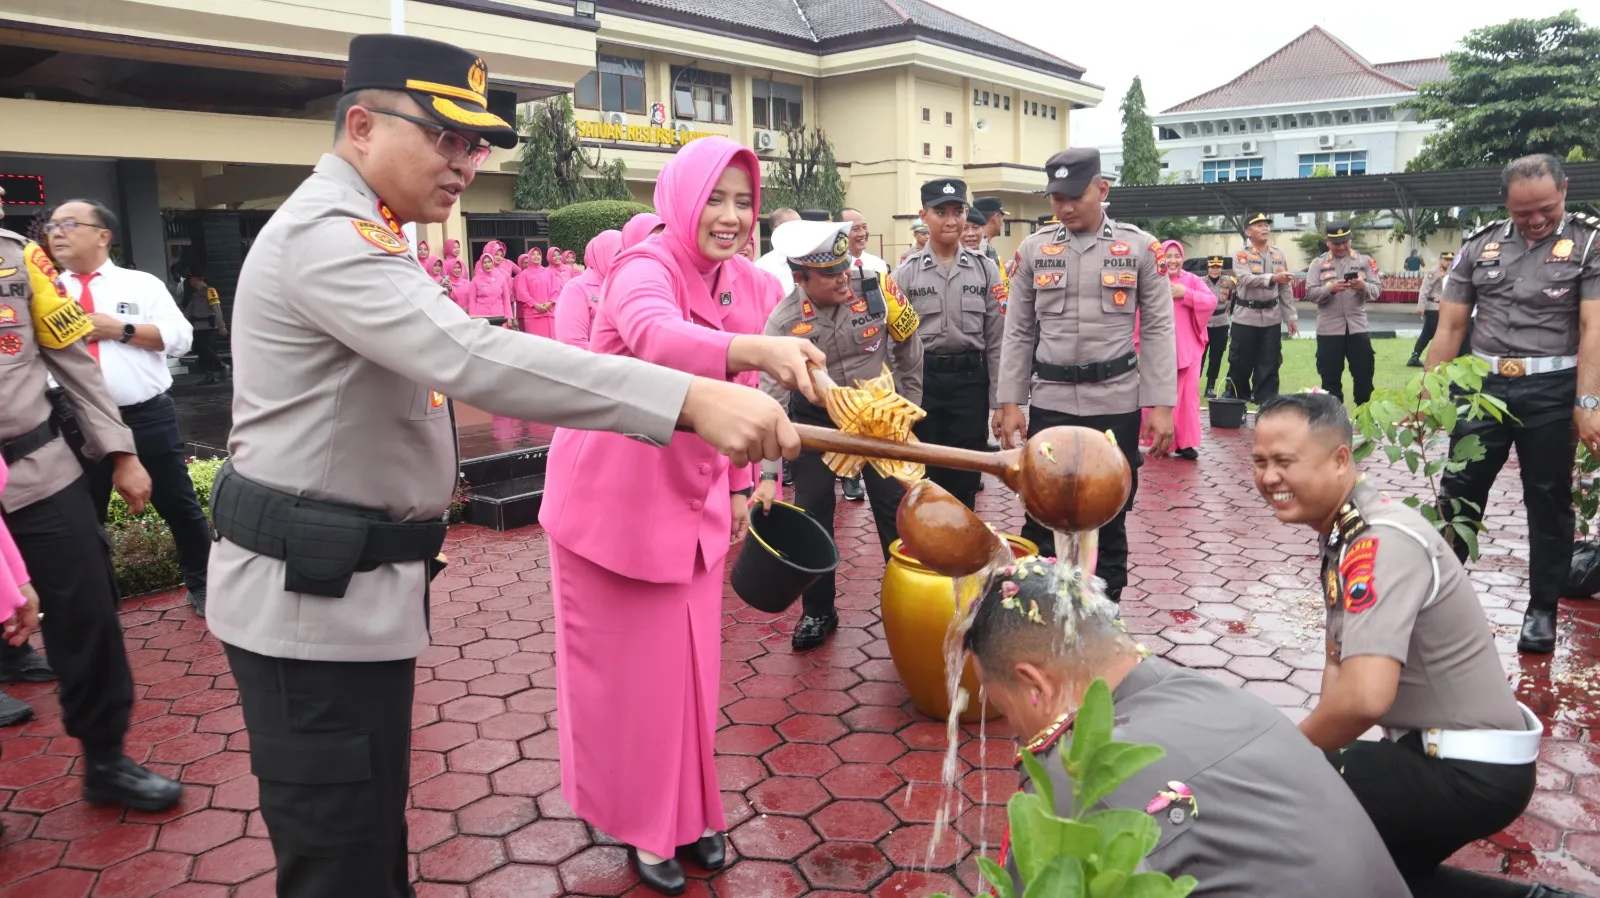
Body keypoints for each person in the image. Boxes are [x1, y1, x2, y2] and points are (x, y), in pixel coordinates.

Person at [207, 36, 810, 898]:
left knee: (367, 844)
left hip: (349, 591)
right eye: (446, 139)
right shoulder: (328, 238)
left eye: (475, 146)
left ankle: (681, 813)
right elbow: (472, 355)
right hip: (310, 597)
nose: (464, 164)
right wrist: (688, 398)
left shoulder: (371, 231)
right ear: (363, 126)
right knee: (340, 857)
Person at [538, 135, 823, 895]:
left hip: (692, 510)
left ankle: (692, 812)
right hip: (613, 513)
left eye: (743, 202)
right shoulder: (645, 266)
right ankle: (643, 823)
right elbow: (657, 337)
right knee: (633, 686)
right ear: (681, 199)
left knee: (692, 676)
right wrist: (753, 348)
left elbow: (746, 405)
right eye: (715, 199)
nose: (730, 217)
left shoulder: (745, 282)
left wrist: (743, 484)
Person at [1254, 392, 1578, 898]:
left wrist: (1285, 755)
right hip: (1444, 757)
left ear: (1340, 459)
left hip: (1467, 771)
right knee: (1374, 878)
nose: (1269, 477)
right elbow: (1339, 668)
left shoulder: (1379, 542)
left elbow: (1364, 698)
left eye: (1284, 461)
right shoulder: (1347, 530)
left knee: (1280, 805)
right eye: (1260, 462)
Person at [966, 555, 1411, 897]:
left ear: (1035, 683)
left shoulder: (1078, 777)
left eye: (1004, 708)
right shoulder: (1209, 692)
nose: (1015, 730)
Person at [0, 186, 180, 809]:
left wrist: (122, 452)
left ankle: (106, 758)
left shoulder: (19, 260)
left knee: (88, 608)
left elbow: (73, 361)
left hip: (37, 470)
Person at [1427, 154, 1600, 655]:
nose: (1536, 220)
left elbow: (1593, 327)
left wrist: (1588, 401)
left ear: (1564, 189)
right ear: (1505, 203)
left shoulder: (1589, 243)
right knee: (1459, 490)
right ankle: (1435, 601)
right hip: (1481, 387)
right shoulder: (1479, 245)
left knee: (1547, 499)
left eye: (1546, 208)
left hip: (1551, 389)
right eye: (1524, 212)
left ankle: (1542, 610)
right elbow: (1450, 326)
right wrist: (1431, 391)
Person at [997, 148, 1176, 602]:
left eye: (1075, 196)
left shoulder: (1140, 248)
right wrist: (1010, 401)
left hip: (1115, 402)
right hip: (1051, 402)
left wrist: (1161, 405)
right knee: (1041, 510)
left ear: (1102, 189)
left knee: (1110, 514)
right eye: (1056, 198)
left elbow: (1158, 328)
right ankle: (1038, 612)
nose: (1065, 207)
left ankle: (1103, 615)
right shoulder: (1034, 249)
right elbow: (1017, 330)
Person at [755, 219, 923, 650]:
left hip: (877, 420)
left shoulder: (879, 288)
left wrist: (906, 411)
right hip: (817, 425)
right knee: (812, 512)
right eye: (829, 273)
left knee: (897, 511)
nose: (843, 277)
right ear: (800, 278)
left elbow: (910, 348)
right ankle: (818, 612)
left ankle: (911, 606)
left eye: (844, 266)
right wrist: (769, 475)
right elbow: (771, 402)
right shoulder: (782, 321)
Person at [49, 200, 216, 618]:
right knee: (84, 520)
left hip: (145, 415)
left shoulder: (140, 284)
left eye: (68, 224)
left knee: (180, 506)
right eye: (51, 226)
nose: (56, 232)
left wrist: (118, 329)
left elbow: (181, 339)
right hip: (75, 421)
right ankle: (100, 607)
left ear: (102, 235)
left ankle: (205, 586)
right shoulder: (44, 291)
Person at [892, 178, 1004, 511]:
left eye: (958, 211)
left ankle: (963, 539)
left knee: (965, 474)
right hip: (921, 384)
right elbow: (892, 344)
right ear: (923, 215)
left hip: (970, 383)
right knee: (922, 477)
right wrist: (897, 397)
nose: (951, 220)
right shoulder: (905, 274)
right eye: (941, 212)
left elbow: (998, 340)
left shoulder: (985, 270)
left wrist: (1000, 402)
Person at [1146, 241, 1215, 460]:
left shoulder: (1192, 280)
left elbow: (1211, 301)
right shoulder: (1151, 279)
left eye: (1177, 256)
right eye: (1168, 256)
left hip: (1189, 350)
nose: (1173, 260)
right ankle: (1160, 442)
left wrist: (1185, 294)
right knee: (1158, 397)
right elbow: (1139, 313)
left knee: (1188, 397)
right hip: (1158, 352)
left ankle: (1185, 443)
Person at [1304, 220, 1382, 404]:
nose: (1340, 247)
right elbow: (1310, 293)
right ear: (1327, 241)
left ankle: (1364, 416)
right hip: (1329, 330)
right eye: (1336, 243)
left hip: (1358, 328)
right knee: (1329, 379)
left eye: (1344, 242)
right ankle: (1334, 418)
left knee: (1364, 376)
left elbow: (1377, 290)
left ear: (1350, 239)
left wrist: (1363, 286)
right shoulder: (1318, 263)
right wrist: (1329, 289)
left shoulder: (1365, 261)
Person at [1224, 212, 1299, 403]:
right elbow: (1245, 279)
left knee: (1270, 362)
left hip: (1272, 318)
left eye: (1266, 225)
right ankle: (1237, 402)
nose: (1265, 228)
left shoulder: (1278, 254)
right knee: (1240, 362)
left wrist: (1290, 317)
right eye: (1259, 225)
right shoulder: (1241, 255)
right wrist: (1273, 278)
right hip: (1246, 317)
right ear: (1248, 231)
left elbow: (1285, 287)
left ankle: (1266, 403)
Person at [553, 230, 622, 348]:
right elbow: (572, 342)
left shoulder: (624, 284)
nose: (624, 259)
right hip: (597, 358)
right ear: (602, 254)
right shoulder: (576, 288)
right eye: (618, 254)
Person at [183, 269, 230, 385]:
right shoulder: (195, 295)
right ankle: (210, 375)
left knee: (205, 348)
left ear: (197, 279)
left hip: (208, 327)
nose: (190, 281)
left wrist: (221, 326)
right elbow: (188, 312)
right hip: (198, 327)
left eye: (192, 279)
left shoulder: (210, 291)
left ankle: (221, 366)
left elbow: (217, 309)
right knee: (201, 352)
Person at [1410, 252, 1453, 367]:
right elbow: (1424, 289)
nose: (1448, 262)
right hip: (1433, 307)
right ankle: (1438, 360)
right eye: (1446, 259)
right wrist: (1421, 306)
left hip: (1442, 307)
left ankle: (1415, 356)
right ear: (1440, 259)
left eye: (1450, 260)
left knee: (1427, 334)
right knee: (1439, 334)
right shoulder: (1434, 272)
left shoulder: (1451, 272)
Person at [974, 196, 1006, 265]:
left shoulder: (981, 242)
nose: (1002, 222)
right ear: (996, 218)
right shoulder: (981, 246)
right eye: (1002, 217)